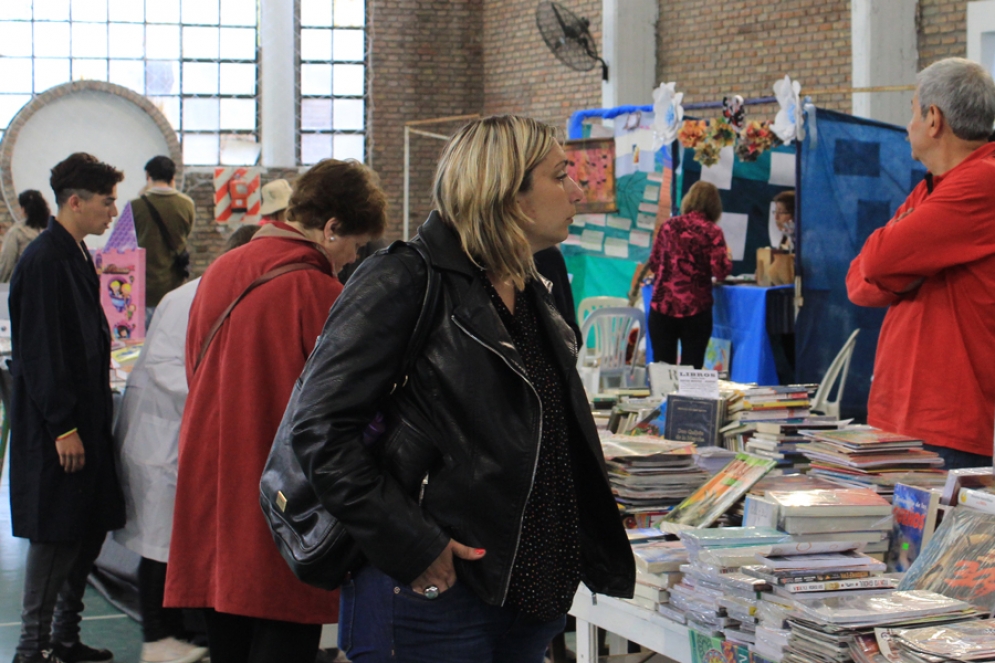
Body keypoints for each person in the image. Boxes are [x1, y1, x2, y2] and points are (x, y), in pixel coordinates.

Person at [285, 115, 635, 662]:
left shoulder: (530, 286)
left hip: (528, 592)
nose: (576, 190)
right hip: (435, 594)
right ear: (509, 194)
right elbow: (319, 432)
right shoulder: (403, 279)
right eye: (560, 175)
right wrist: (413, 543)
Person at [164, 159, 387, 663]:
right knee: (283, 630)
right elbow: (345, 410)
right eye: (353, 245)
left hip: (214, 484)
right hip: (285, 499)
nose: (351, 260)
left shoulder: (222, 269)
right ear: (330, 229)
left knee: (228, 632)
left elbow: (193, 369)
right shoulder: (320, 291)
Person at [113, 225, 259, 663]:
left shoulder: (226, 291)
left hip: (184, 438)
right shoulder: (187, 298)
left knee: (176, 543)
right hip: (162, 440)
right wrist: (226, 394)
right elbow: (165, 366)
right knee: (160, 545)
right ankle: (159, 637)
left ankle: (180, 633)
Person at [847, 57, 995, 469]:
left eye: (911, 110)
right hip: (901, 417)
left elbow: (876, 261)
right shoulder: (932, 186)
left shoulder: (983, 181)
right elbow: (858, 283)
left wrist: (901, 269)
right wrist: (904, 268)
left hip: (942, 426)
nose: (908, 124)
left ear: (934, 119)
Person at [8, 153, 126, 663]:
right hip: (61, 428)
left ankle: (65, 637)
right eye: (106, 201)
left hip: (87, 420)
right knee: (55, 536)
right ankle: (31, 648)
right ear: (75, 202)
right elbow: (39, 354)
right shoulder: (44, 261)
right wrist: (63, 428)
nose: (113, 212)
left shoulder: (76, 254)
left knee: (86, 527)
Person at [632, 180, 732, 369]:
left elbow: (654, 263)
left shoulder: (669, 226)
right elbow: (720, 271)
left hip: (662, 307)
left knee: (663, 371)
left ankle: (663, 399)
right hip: (696, 309)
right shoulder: (713, 232)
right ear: (715, 205)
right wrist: (728, 257)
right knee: (691, 372)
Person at [132, 155, 195, 324]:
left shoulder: (134, 205)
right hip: (174, 288)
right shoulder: (187, 204)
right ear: (172, 177)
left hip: (143, 290)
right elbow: (185, 235)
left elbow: (123, 245)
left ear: (148, 176)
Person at [0, 190, 51, 282]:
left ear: (24, 209)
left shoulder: (16, 233)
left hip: (22, 287)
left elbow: (6, 264)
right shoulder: (51, 232)